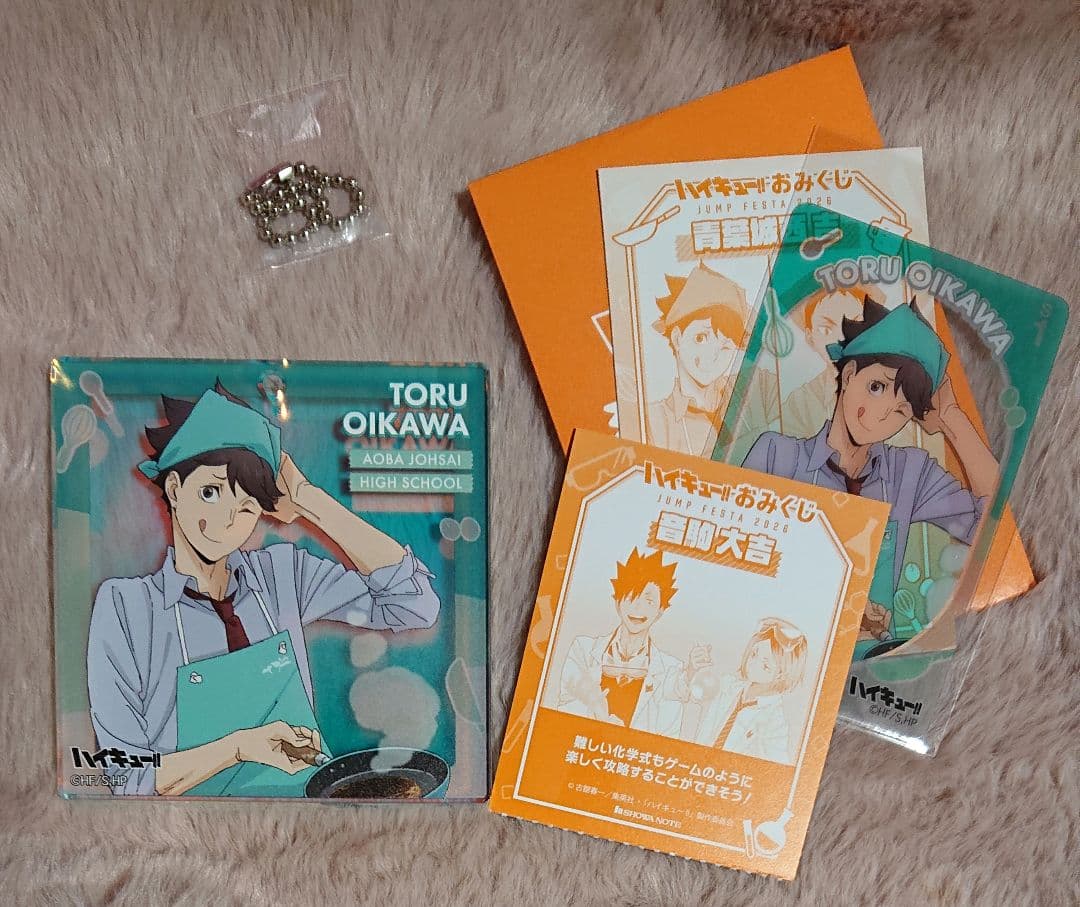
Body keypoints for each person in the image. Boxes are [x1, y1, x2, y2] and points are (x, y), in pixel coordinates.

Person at [87, 383, 440, 796]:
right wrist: (239, 748)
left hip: (307, 816)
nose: (227, 520)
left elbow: (414, 604)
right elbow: (125, 774)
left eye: (246, 506)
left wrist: (309, 501)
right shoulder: (127, 608)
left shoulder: (282, 575)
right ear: (175, 490)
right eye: (210, 492)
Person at [742, 299, 997, 653]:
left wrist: (953, 418)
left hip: (867, 662)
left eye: (901, 410)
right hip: (770, 649)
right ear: (849, 376)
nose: (880, 416)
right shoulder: (776, 456)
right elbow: (737, 566)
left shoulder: (909, 473)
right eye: (877, 387)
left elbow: (993, 525)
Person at [556, 548, 707, 736]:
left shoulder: (670, 669)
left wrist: (691, 671)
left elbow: (669, 726)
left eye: (649, 601)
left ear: (660, 610)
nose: (638, 608)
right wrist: (600, 717)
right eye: (631, 596)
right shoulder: (584, 650)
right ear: (617, 601)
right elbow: (565, 704)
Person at [646, 262, 750, 456]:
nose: (712, 356)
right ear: (677, 338)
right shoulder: (654, 420)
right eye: (701, 338)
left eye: (726, 346)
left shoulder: (746, 396)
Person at [682, 619, 808, 765]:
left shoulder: (775, 722)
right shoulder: (728, 686)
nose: (753, 664)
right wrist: (693, 669)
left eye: (766, 666)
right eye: (754, 654)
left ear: (781, 675)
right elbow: (690, 695)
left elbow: (776, 766)